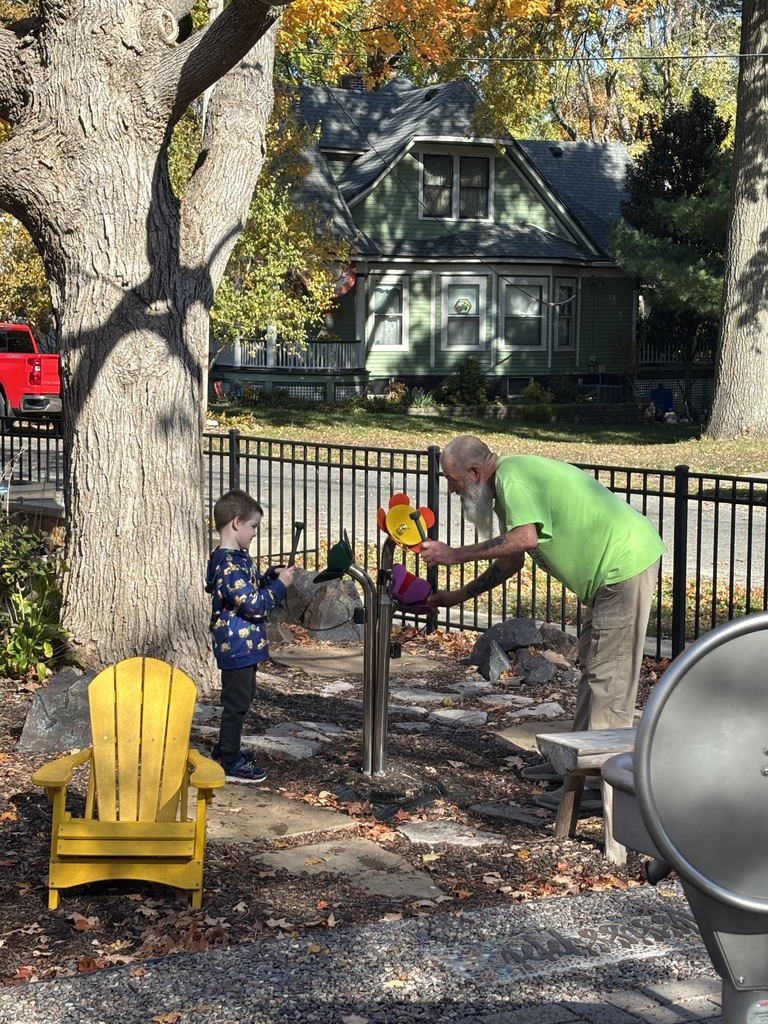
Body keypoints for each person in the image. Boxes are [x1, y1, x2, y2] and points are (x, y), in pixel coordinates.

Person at [420, 435, 664, 811]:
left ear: (474, 472)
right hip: (613, 571)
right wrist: (454, 598)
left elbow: (525, 538)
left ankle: (601, 786)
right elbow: (510, 561)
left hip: (624, 566)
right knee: (596, 670)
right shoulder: (507, 484)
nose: (452, 491)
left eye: (452, 481)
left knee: (609, 679)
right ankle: (575, 766)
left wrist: (455, 554)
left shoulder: (513, 480)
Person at [206, 489, 295, 783]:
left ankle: (224, 750)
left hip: (244, 645)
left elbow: (250, 589)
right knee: (237, 703)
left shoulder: (234, 558)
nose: (255, 533)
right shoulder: (230, 564)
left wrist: (269, 577)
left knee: (243, 697)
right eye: (253, 526)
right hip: (237, 646)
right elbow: (255, 605)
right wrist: (280, 586)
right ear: (236, 523)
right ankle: (229, 761)